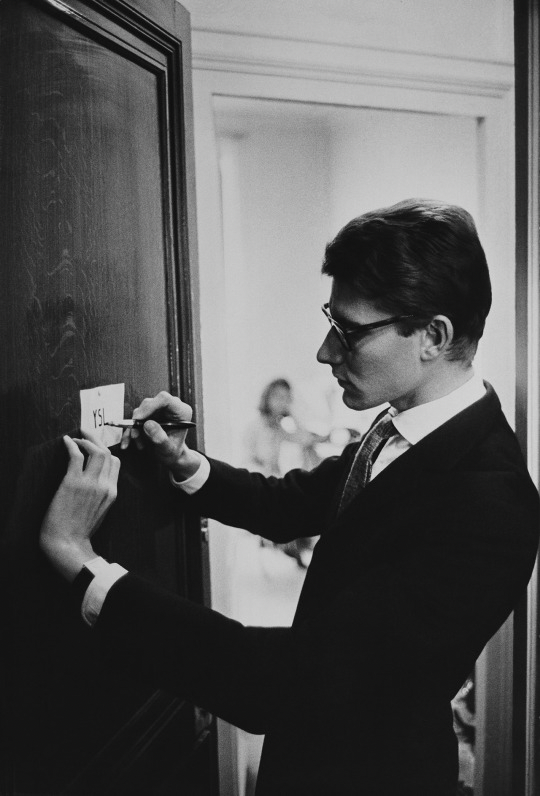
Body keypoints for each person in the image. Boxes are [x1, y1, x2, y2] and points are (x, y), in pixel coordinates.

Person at [39, 199, 539, 796]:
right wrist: (182, 462)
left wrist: (82, 564)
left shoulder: (492, 503)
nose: (325, 352)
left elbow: (279, 682)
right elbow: (289, 504)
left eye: (349, 331)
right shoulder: (399, 427)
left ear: (433, 335)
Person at [244, 377, 323, 566]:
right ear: (267, 397)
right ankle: (289, 545)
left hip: (274, 481)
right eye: (278, 397)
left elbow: (304, 439)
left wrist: (293, 414)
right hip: (257, 479)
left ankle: (297, 546)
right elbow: (257, 457)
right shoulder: (257, 425)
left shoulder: (280, 425)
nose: (282, 402)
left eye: (287, 398)